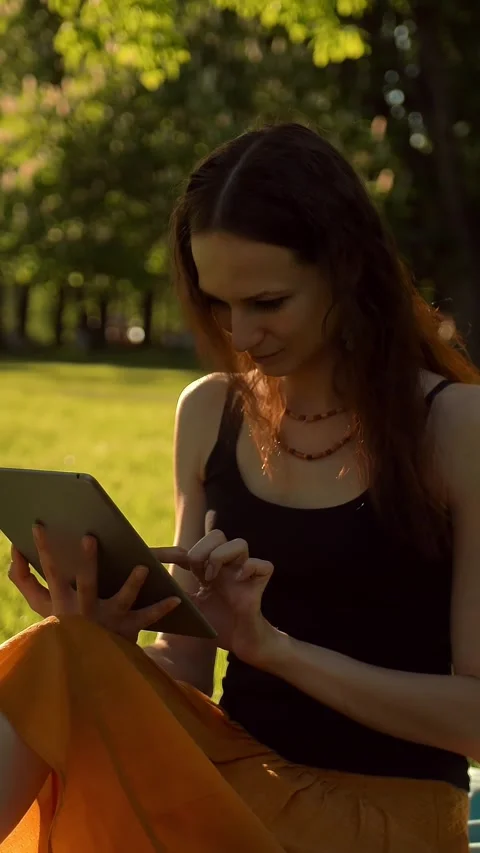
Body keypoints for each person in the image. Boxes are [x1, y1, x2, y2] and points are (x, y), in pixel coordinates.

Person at [1, 121, 480, 852]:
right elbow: (186, 668)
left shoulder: (455, 427)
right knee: (57, 651)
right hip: (236, 784)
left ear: (346, 269)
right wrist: (109, 642)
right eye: (219, 304)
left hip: (382, 818)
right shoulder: (209, 412)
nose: (240, 332)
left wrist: (275, 648)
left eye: (266, 302)